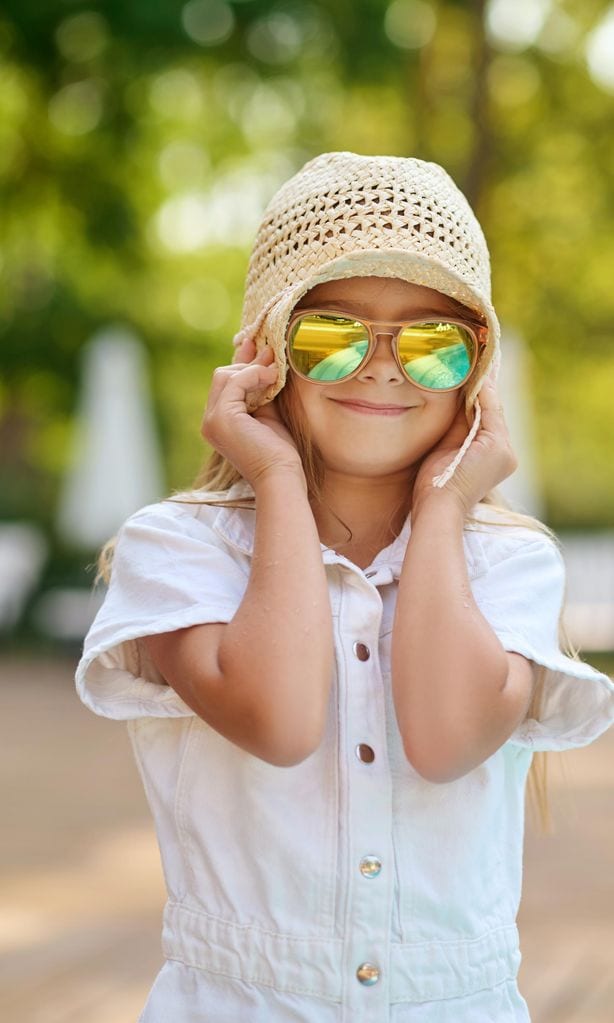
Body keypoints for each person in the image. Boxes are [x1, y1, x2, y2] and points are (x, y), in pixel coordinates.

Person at [76, 152, 614, 1022]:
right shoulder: (180, 548)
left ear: (478, 370)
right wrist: (277, 479)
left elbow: (445, 740)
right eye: (332, 335)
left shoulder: (510, 564)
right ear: (265, 352)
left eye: (435, 343)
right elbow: (279, 720)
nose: (381, 366)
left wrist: (445, 506)